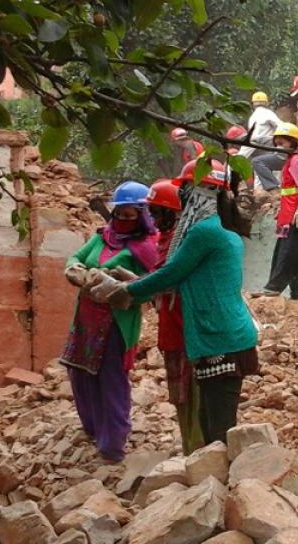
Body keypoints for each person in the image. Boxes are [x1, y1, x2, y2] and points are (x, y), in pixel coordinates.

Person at [107, 159, 258, 445]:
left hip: (220, 338)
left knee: (218, 428)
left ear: (202, 191)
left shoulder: (204, 232)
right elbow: (175, 277)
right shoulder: (218, 230)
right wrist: (131, 283)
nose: (182, 197)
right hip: (221, 336)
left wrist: (126, 291)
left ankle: (227, 486)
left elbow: (170, 273)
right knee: (211, 420)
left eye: (186, 189)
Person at [62, 181, 158, 462]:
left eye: (131, 215)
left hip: (116, 323)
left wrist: (124, 286)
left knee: (111, 380)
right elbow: (77, 257)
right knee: (80, 374)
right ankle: (92, 428)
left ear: (143, 215)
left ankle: (112, 443)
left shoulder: (146, 247)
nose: (124, 220)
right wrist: (76, 270)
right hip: (86, 320)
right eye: (120, 214)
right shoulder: (103, 236)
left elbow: (155, 287)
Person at [146, 179, 204, 455]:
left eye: (158, 213)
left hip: (186, 328)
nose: (154, 220)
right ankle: (189, 447)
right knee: (181, 395)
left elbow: (167, 279)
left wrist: (133, 287)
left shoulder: (184, 244)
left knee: (194, 394)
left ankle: (198, 450)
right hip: (171, 328)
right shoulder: (165, 241)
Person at [262, 123, 298, 299]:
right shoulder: (293, 162)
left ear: (293, 143)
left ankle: (274, 287)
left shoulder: (296, 162)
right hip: (294, 213)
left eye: (282, 143)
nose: (278, 146)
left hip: (297, 215)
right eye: (276, 143)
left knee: (287, 252)